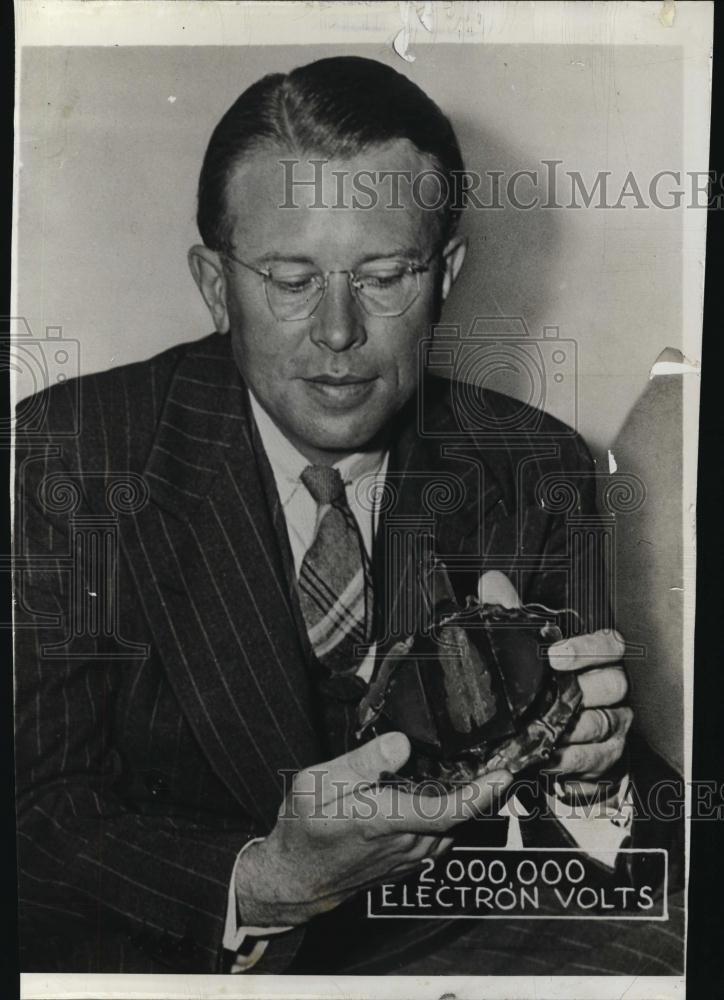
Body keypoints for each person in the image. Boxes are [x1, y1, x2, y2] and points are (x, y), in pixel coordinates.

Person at [14, 55, 682, 975]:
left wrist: (593, 779)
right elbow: (36, 814)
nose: (337, 332)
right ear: (215, 285)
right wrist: (264, 879)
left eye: (383, 277)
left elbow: (634, 830)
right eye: (291, 281)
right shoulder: (73, 452)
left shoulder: (536, 465)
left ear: (445, 274)